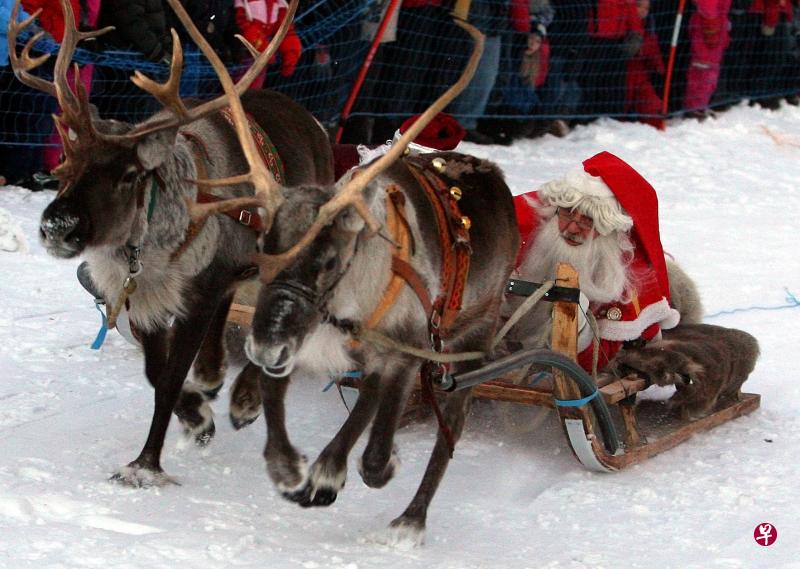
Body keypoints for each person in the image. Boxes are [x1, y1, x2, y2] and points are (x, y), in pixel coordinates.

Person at [507, 151, 680, 373]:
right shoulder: (525, 232)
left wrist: (578, 330)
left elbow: (608, 359)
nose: (571, 228)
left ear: (607, 228)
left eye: (587, 221)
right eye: (567, 214)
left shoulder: (623, 277)